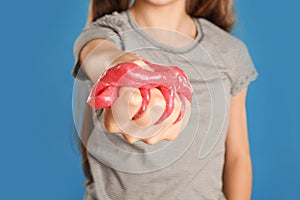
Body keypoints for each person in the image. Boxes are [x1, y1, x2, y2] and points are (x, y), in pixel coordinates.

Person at [71, 0, 259, 199]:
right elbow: (100, 57)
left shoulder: (229, 52)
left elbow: (237, 157)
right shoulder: (105, 34)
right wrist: (125, 71)